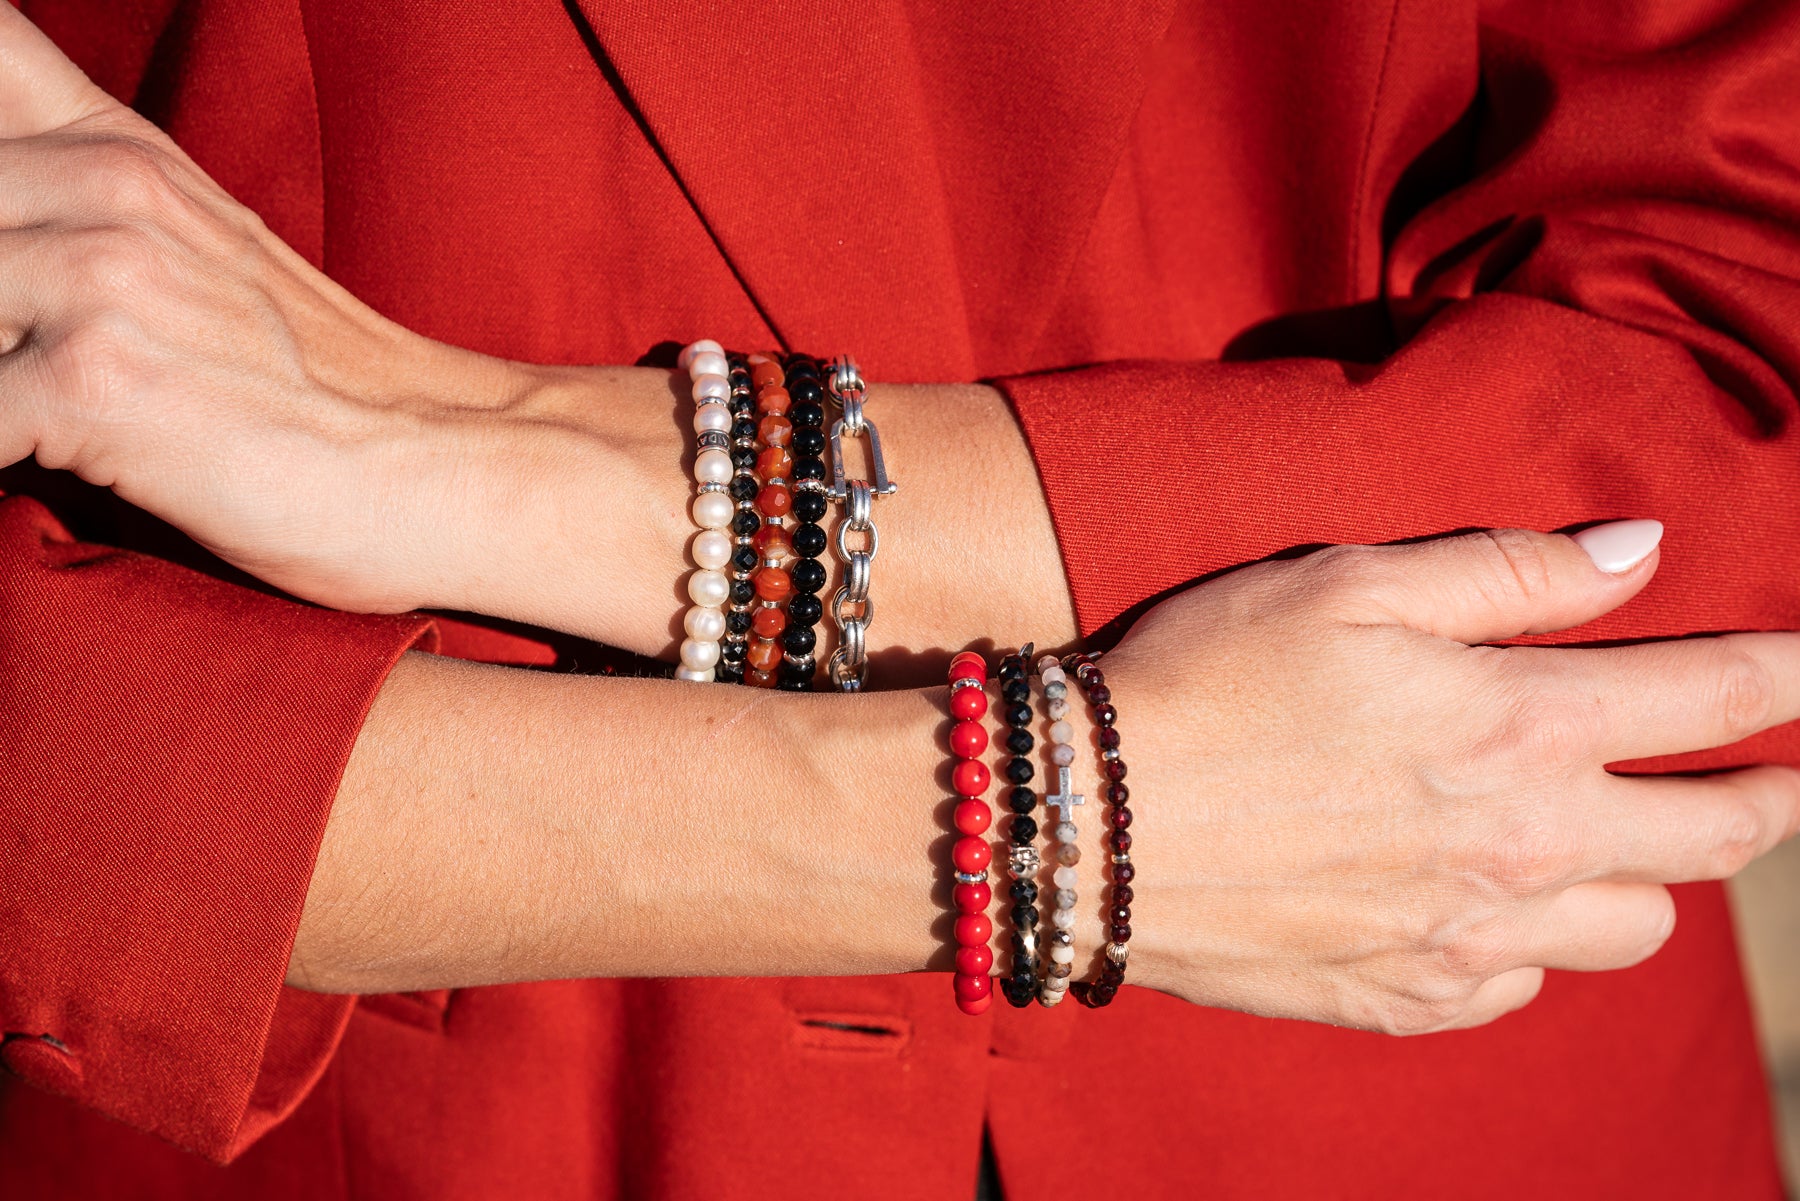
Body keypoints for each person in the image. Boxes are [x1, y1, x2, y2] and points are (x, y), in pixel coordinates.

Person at [4, 0, 1800, 1196]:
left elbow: (1743, 384)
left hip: (1443, 1052)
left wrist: (492, 458)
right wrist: (1080, 826)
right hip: (407, 1097)